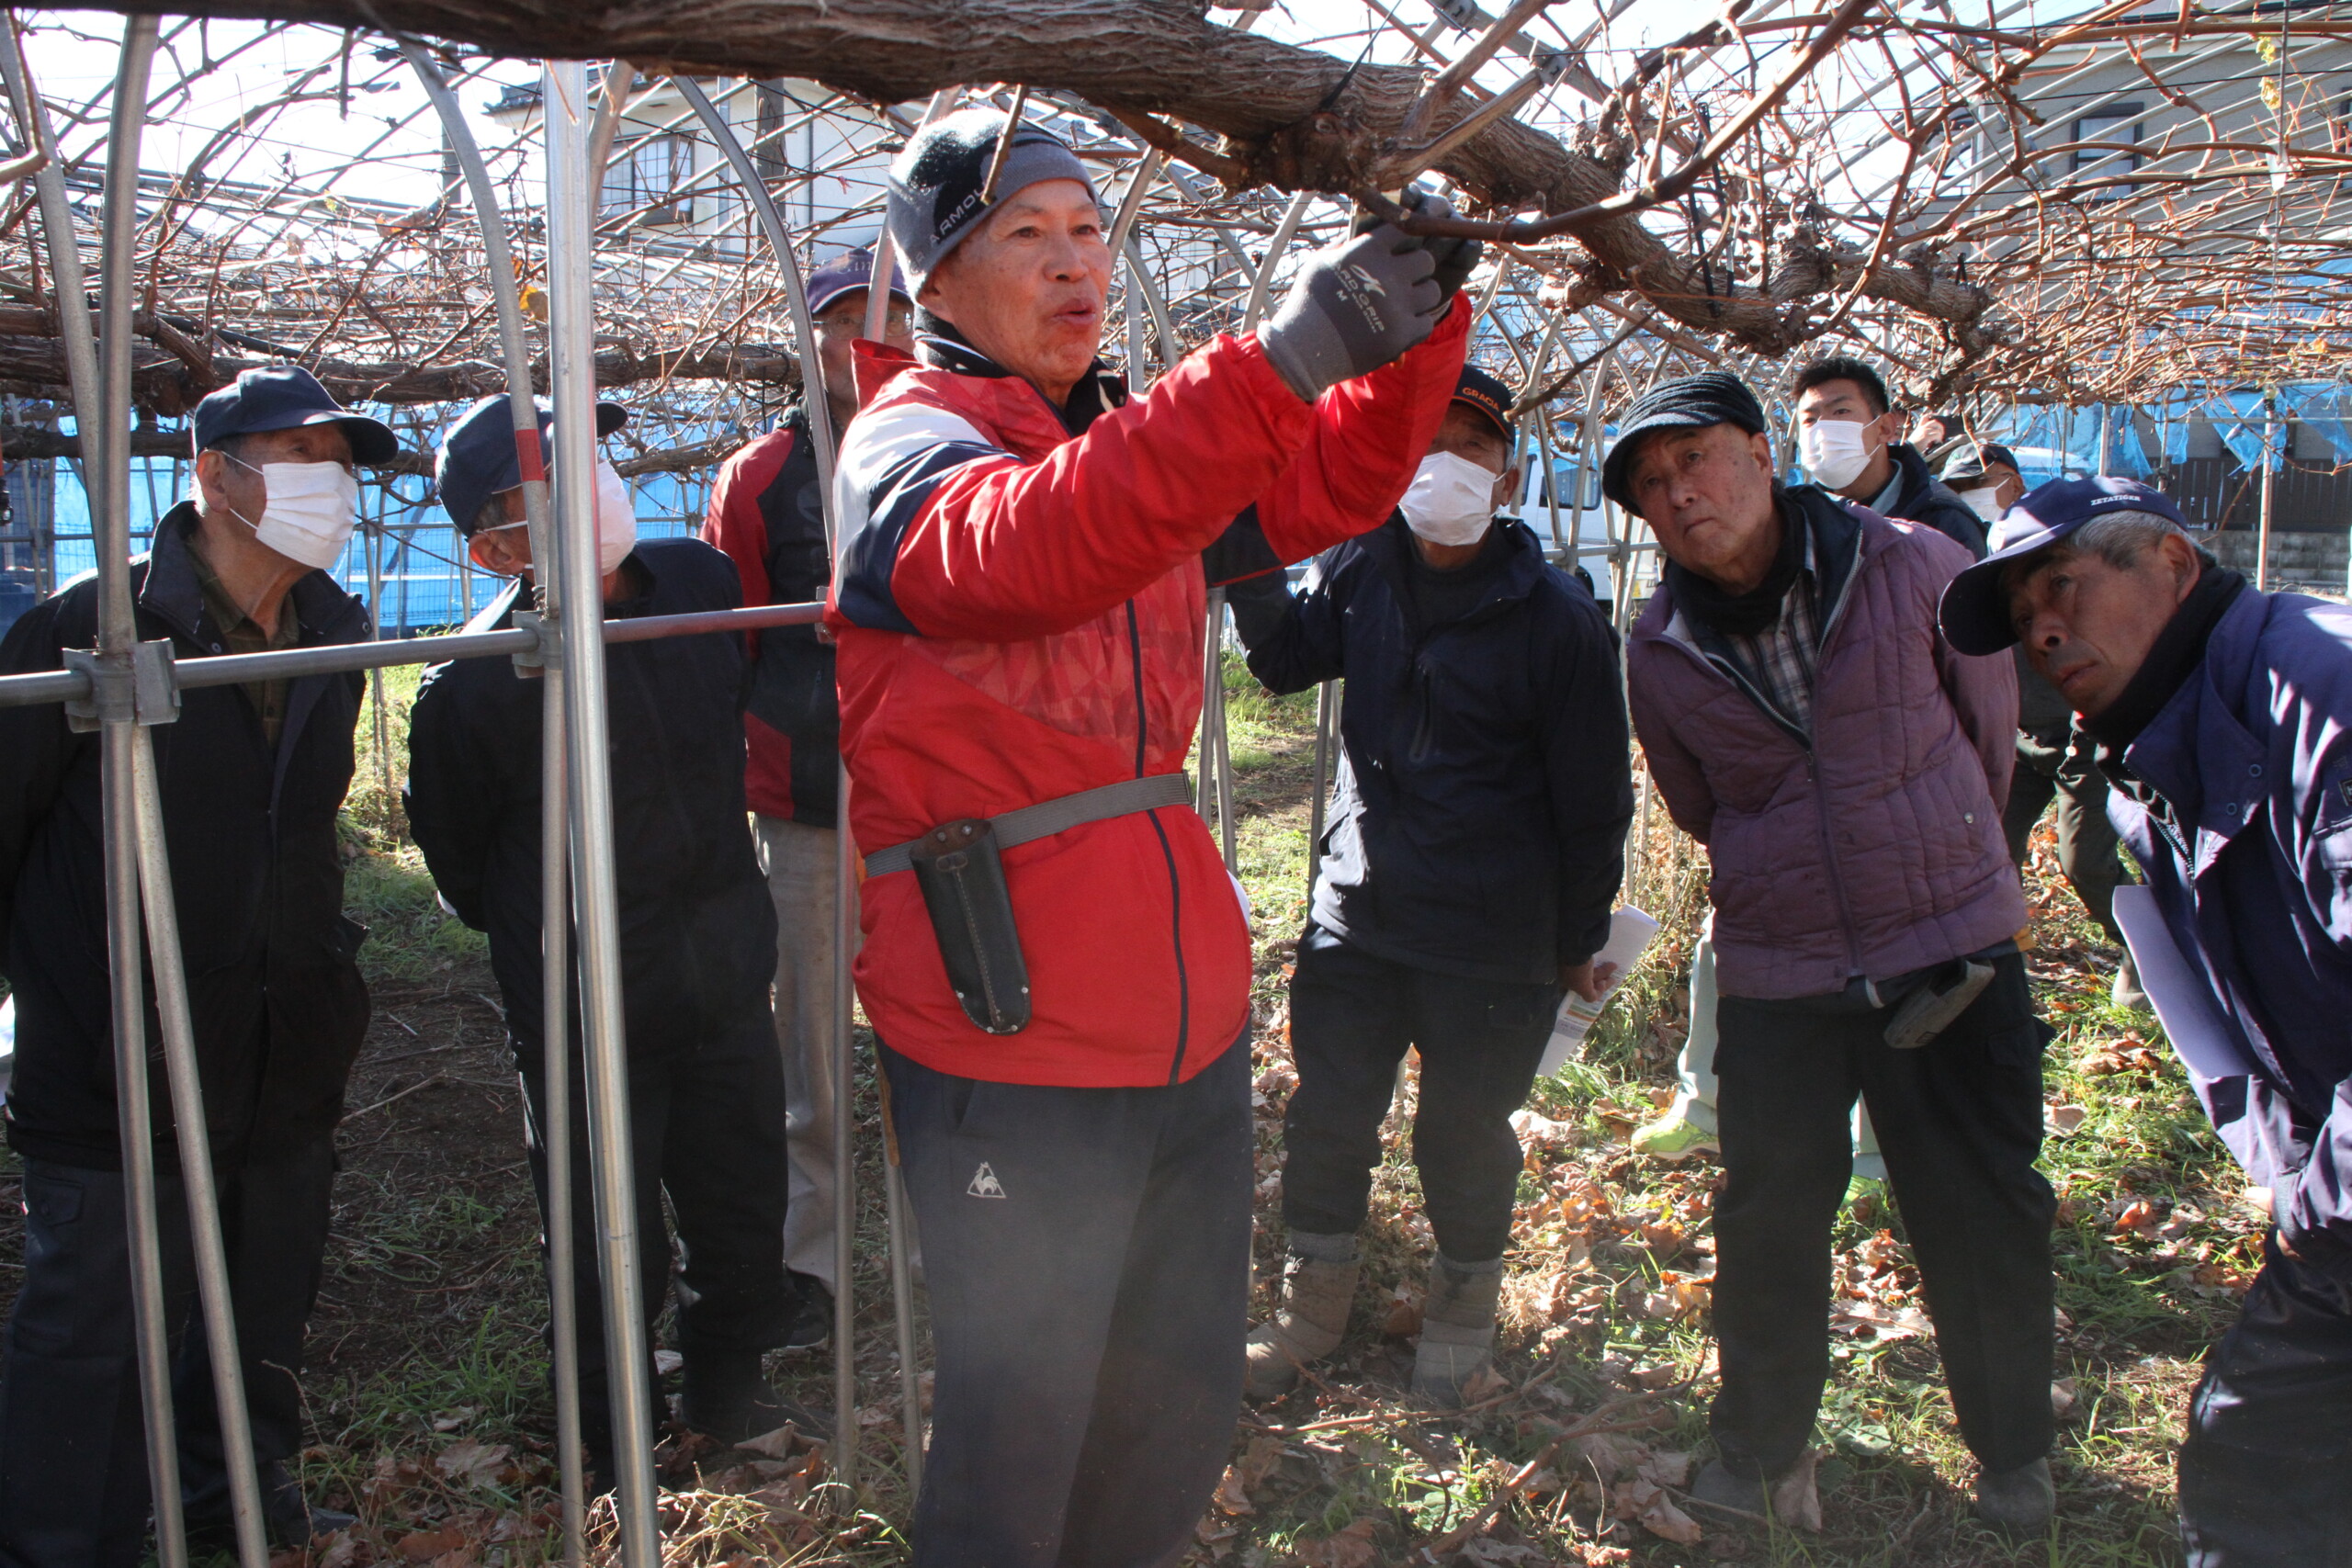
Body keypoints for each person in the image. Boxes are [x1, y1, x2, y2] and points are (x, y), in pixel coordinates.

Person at [829, 107, 1474, 1564]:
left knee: (1168, 1410)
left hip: (1180, 1025)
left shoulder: (1118, 449)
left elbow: (1337, 481)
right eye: (1024, 236)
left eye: (1088, 231)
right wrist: (1281, 357)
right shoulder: (906, 446)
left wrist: (1418, 322)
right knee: (1019, 1429)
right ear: (933, 279)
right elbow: (1034, 546)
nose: (1076, 265)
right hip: (1014, 1032)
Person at [1610, 372, 2055, 1534]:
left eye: (1695, 460)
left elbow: (1987, 734)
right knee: (1764, 1216)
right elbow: (1701, 802)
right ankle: (1760, 1445)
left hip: (1946, 947)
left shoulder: (1913, 563)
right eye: (1652, 486)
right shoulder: (1656, 645)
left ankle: (2011, 1447)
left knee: (1979, 1204)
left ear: (1763, 453)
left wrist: (1941, 867)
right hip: (1782, 970)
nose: (1679, 495)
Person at [0, 366, 395, 1562]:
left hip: (281, 1040)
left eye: (339, 459)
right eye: (296, 453)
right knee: (98, 1321)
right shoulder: (91, 628)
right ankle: (65, 1537)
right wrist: (60, 998)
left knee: (264, 1292)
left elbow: (303, 827)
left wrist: (325, 971)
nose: (324, 482)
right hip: (114, 1048)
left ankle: (231, 1502)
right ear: (213, 475)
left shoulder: (332, 626)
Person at [1940, 479, 2352, 1565]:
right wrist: (2289, 1166)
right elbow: (2232, 1003)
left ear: (2171, 560)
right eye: (2024, 615)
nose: (2042, 630)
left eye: (2064, 586)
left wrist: (2326, 1217)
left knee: (2260, 1459)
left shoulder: (2322, 692)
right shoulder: (2150, 756)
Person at [404, 395, 807, 1490]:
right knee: (601, 1236)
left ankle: (730, 1393)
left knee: (739, 1205)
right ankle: (609, 1433)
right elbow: (463, 869)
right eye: (542, 481)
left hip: (720, 967)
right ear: (492, 549)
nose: (586, 485)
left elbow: (732, 713)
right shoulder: (474, 684)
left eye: (586, 456)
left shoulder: (698, 585)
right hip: (587, 1000)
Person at [1224, 365, 1633, 1406]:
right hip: (1357, 914)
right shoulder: (1366, 567)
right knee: (1330, 1113)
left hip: (1491, 937)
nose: (1443, 464)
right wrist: (1252, 550)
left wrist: (1578, 936)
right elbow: (1281, 664)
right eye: (1422, 443)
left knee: (1459, 1130)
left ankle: (1461, 1303)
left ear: (1507, 478)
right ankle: (1312, 1304)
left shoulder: (1553, 620)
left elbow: (1594, 801)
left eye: (1472, 446)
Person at [701, 249, 917, 1347]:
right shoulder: (762, 475)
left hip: (937, 801)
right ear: (810, 338)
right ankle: (814, 1265)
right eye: (840, 320)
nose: (863, 340)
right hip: (812, 801)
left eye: (887, 317)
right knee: (813, 1054)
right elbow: (727, 635)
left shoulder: (951, 451)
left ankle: (952, 1239)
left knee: (944, 1022)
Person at [1941, 446, 2137, 1007]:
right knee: (1991, 853)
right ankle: (2003, 961)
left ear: (2015, 480)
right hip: (2021, 739)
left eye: (1983, 482)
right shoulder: (1981, 566)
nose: (1974, 495)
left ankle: (2146, 950)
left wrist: (2090, 729)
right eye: (1960, 488)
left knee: (2085, 861)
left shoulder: (2054, 554)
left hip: (2083, 738)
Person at [1790, 355, 1984, 556]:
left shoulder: (1943, 521)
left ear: (1884, 428)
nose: (1822, 431)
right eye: (1810, 420)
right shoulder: (1796, 522)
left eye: (1841, 411)